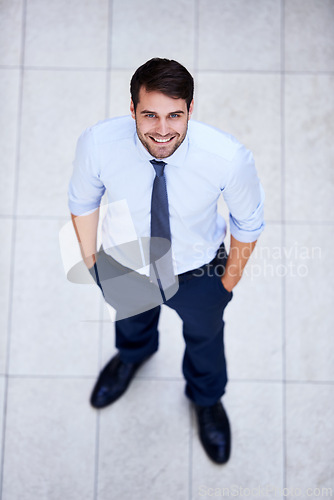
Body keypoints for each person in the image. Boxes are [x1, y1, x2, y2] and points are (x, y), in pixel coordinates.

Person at [68, 58, 265, 464]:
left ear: (191, 109)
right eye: (150, 115)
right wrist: (92, 261)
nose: (162, 129)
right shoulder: (98, 143)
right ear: (132, 109)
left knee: (206, 339)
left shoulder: (227, 157)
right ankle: (133, 356)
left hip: (200, 271)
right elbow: (83, 201)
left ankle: (206, 398)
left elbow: (248, 222)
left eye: (175, 115)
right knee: (131, 322)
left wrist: (227, 282)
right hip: (125, 262)